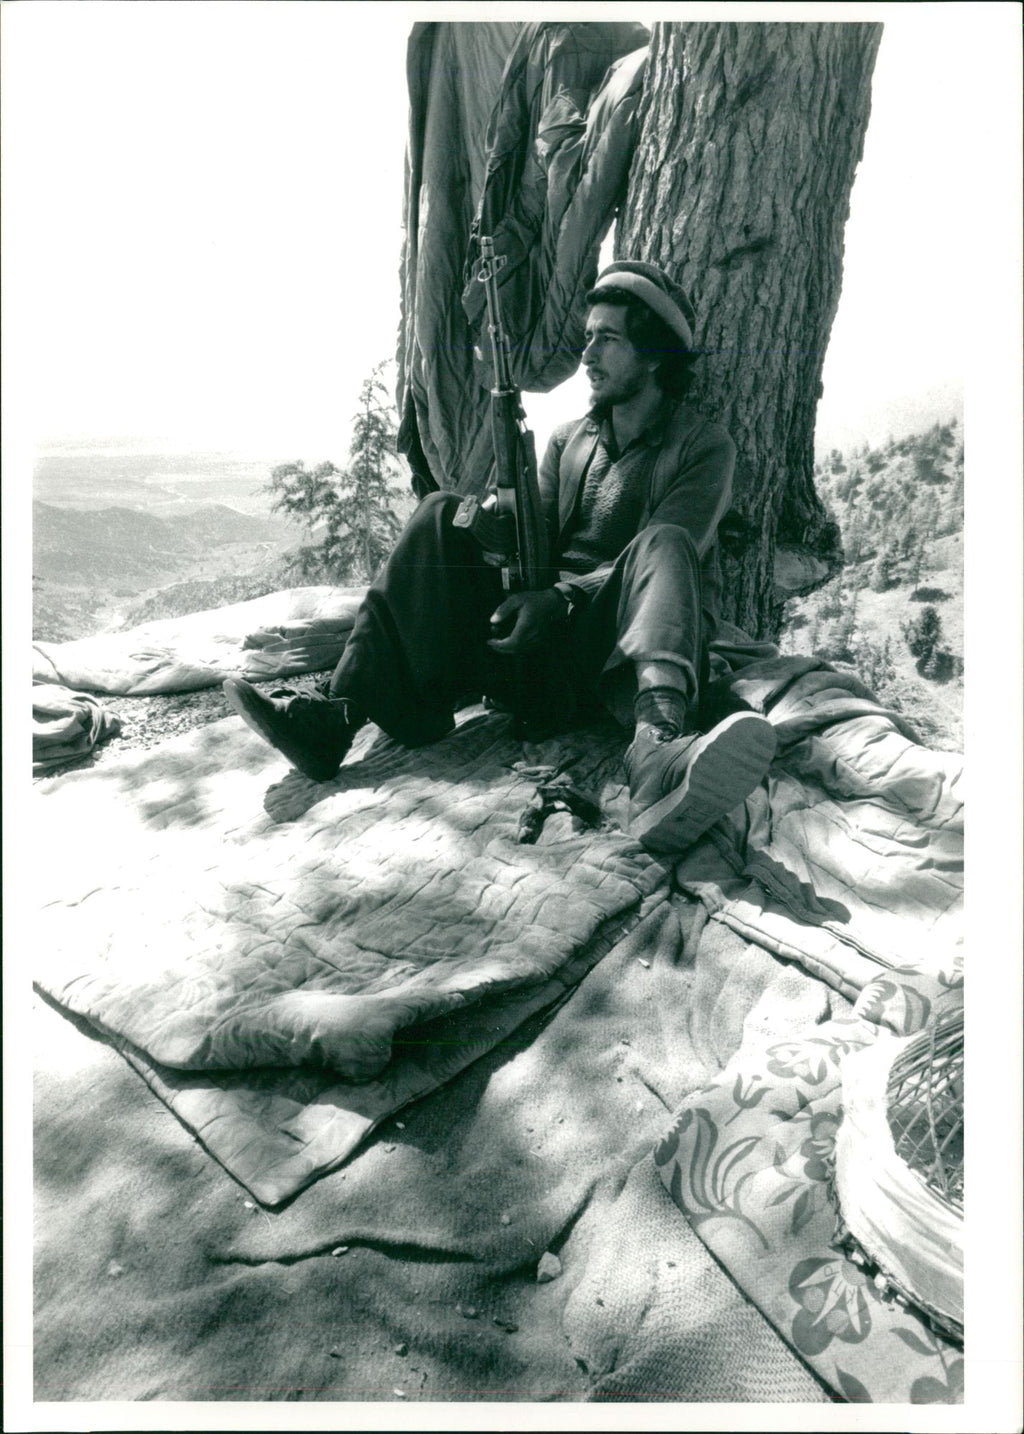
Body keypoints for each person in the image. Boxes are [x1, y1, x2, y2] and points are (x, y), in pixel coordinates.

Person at [224, 260, 776, 853]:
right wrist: (493, 523)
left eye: (608, 339)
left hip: (611, 654)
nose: (588, 355)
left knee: (663, 542)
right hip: (536, 656)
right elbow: (535, 534)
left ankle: (657, 750)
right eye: (588, 336)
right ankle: (337, 715)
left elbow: (676, 550)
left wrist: (560, 600)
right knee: (439, 511)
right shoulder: (569, 439)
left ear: (654, 356)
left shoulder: (703, 447)